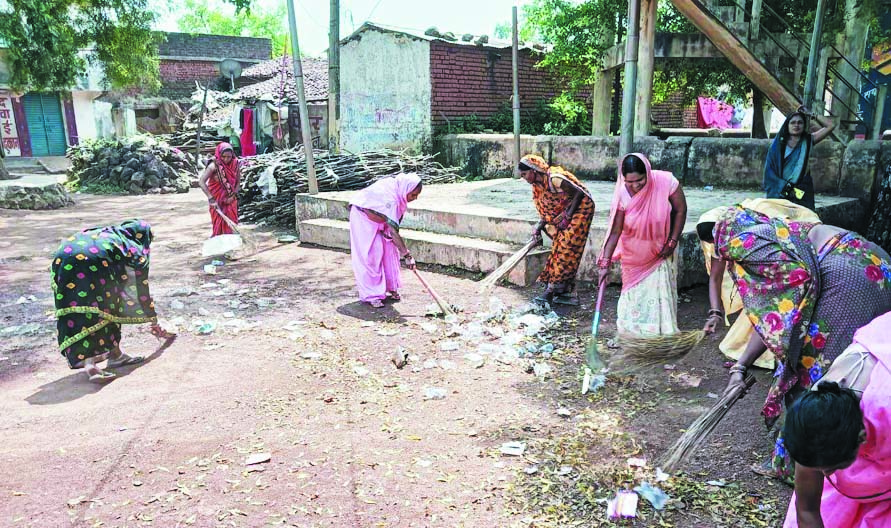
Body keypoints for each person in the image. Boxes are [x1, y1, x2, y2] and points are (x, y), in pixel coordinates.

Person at [698, 206, 891, 482]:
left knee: (809, 374)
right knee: (862, 368)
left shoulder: (745, 244)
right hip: (878, 264)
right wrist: (740, 367)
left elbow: (784, 314)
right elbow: (773, 316)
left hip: (846, 281)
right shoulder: (777, 229)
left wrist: (744, 367)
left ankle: (799, 466)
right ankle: (857, 453)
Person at [781, 311, 891, 527]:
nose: (826, 474)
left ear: (862, 437)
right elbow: (807, 509)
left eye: (832, 466)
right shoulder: (816, 412)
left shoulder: (884, 407)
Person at [697, 199, 821, 369]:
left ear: (724, 231)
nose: (718, 248)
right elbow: (715, 277)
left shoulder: (760, 224)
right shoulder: (721, 235)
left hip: (801, 249)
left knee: (776, 305)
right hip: (781, 269)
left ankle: (777, 355)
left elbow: (780, 282)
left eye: (717, 243)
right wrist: (715, 313)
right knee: (762, 306)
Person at [51, 220, 174, 382]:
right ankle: (91, 366)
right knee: (107, 307)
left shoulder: (107, 234)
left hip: (63, 259)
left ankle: (115, 355)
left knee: (79, 308)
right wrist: (153, 319)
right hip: (93, 260)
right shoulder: (131, 246)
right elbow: (139, 285)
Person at [598, 153, 687, 337]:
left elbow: (680, 209)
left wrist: (672, 240)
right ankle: (633, 336)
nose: (635, 185)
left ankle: (659, 335)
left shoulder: (665, 182)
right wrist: (605, 262)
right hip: (634, 256)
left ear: (647, 172)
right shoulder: (622, 193)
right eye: (629, 182)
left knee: (658, 295)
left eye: (639, 180)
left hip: (660, 251)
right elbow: (616, 231)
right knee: (633, 297)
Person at [518, 154, 595, 305]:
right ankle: (566, 292)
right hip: (566, 209)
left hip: (581, 208)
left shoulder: (554, 178)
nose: (524, 178)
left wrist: (567, 216)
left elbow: (578, 194)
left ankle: (551, 292)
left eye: (525, 174)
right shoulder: (538, 187)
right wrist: (538, 228)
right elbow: (548, 212)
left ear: (534, 170)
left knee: (567, 247)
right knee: (558, 247)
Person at [348, 173, 422, 308]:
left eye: (416, 196)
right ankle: (372, 295)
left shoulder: (399, 192)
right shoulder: (392, 199)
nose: (414, 199)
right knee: (372, 254)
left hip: (382, 219)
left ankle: (391, 287)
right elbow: (394, 232)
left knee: (389, 251)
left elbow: (394, 228)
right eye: (413, 195)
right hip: (362, 218)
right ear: (406, 189)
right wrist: (407, 255)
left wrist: (403, 251)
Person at [763, 108, 835, 211]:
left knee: (804, 220)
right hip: (781, 190)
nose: (796, 125)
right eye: (793, 123)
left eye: (800, 123)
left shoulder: (809, 140)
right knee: (782, 220)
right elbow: (769, 170)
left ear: (804, 125)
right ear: (787, 125)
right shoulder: (778, 145)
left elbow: (831, 125)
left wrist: (811, 113)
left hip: (802, 190)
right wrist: (783, 186)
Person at [199, 142, 241, 236]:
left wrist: (233, 196)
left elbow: (238, 182)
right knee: (218, 223)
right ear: (219, 155)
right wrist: (210, 198)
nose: (226, 159)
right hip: (217, 201)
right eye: (223, 156)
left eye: (229, 157)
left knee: (231, 224)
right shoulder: (213, 166)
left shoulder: (235, 164)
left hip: (230, 200)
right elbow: (201, 182)